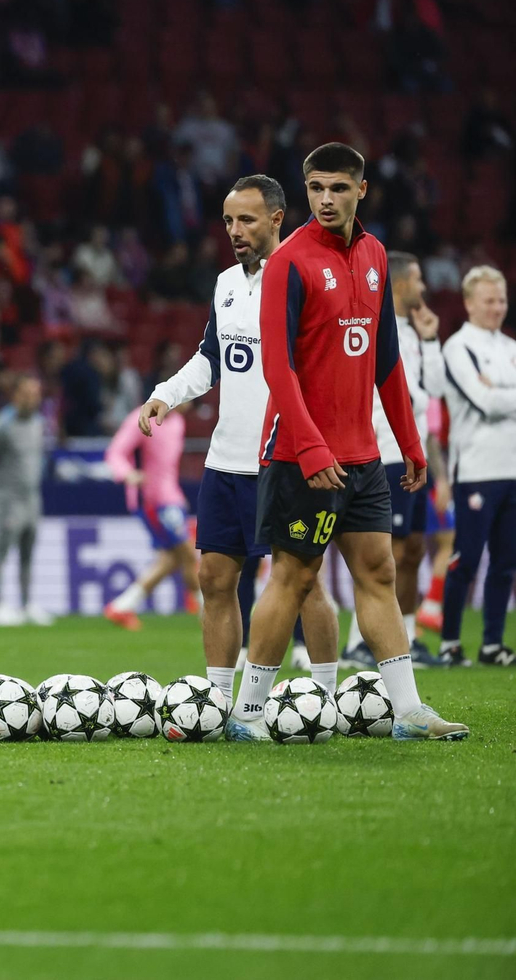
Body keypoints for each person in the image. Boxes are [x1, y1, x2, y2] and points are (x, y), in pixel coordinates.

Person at [228, 142, 466, 742]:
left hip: (363, 455)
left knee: (379, 572)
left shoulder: (376, 254)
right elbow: (277, 370)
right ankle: (247, 712)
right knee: (295, 577)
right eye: (316, 188)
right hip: (300, 454)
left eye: (338, 188)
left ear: (362, 190)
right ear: (305, 191)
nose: (326, 199)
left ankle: (409, 711)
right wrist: (310, 449)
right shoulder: (290, 261)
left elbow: (385, 356)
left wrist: (409, 441)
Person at [141, 175, 340, 704]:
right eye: (228, 220)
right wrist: (166, 393)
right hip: (226, 458)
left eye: (247, 219)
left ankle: (328, 696)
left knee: (302, 582)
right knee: (213, 576)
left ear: (277, 219)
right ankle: (218, 699)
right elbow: (212, 357)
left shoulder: (304, 279)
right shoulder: (227, 282)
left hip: (282, 457)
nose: (234, 230)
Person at [344, 250, 450, 668]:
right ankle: (358, 643)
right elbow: (402, 393)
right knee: (385, 553)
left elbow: (435, 390)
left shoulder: (413, 330)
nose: (424, 288)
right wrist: (419, 404)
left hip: (413, 452)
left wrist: (430, 339)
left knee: (413, 551)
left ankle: (403, 635)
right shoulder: (379, 327)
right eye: (419, 280)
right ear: (402, 284)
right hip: (387, 451)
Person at [438, 265, 516, 667]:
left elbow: (494, 399)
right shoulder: (457, 347)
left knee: (505, 562)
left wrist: (498, 390)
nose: (496, 308)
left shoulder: (509, 346)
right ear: (468, 303)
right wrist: (498, 394)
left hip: (512, 468)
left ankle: (491, 644)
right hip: (475, 470)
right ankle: (450, 641)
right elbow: (482, 402)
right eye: (489, 300)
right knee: (466, 558)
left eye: (501, 300)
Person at [103, 398, 199, 630]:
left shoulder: (177, 422)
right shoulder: (142, 416)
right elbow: (116, 452)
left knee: (172, 558)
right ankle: (209, 610)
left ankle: (122, 606)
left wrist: (176, 494)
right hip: (152, 500)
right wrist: (127, 474)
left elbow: (166, 467)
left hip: (170, 499)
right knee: (187, 553)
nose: (189, 404)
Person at [0, 373, 47, 626]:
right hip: (9, 497)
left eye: (36, 394)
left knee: (28, 552)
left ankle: (27, 604)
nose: (33, 399)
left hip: (32, 498)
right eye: (28, 394)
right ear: (16, 396)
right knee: (1, 552)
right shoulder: (1, 426)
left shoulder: (39, 424)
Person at [414, 397, 455, 631]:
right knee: (412, 547)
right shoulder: (427, 395)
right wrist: (441, 480)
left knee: (417, 545)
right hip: (424, 473)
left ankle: (426, 609)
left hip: (420, 469)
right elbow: (429, 439)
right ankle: (426, 609)